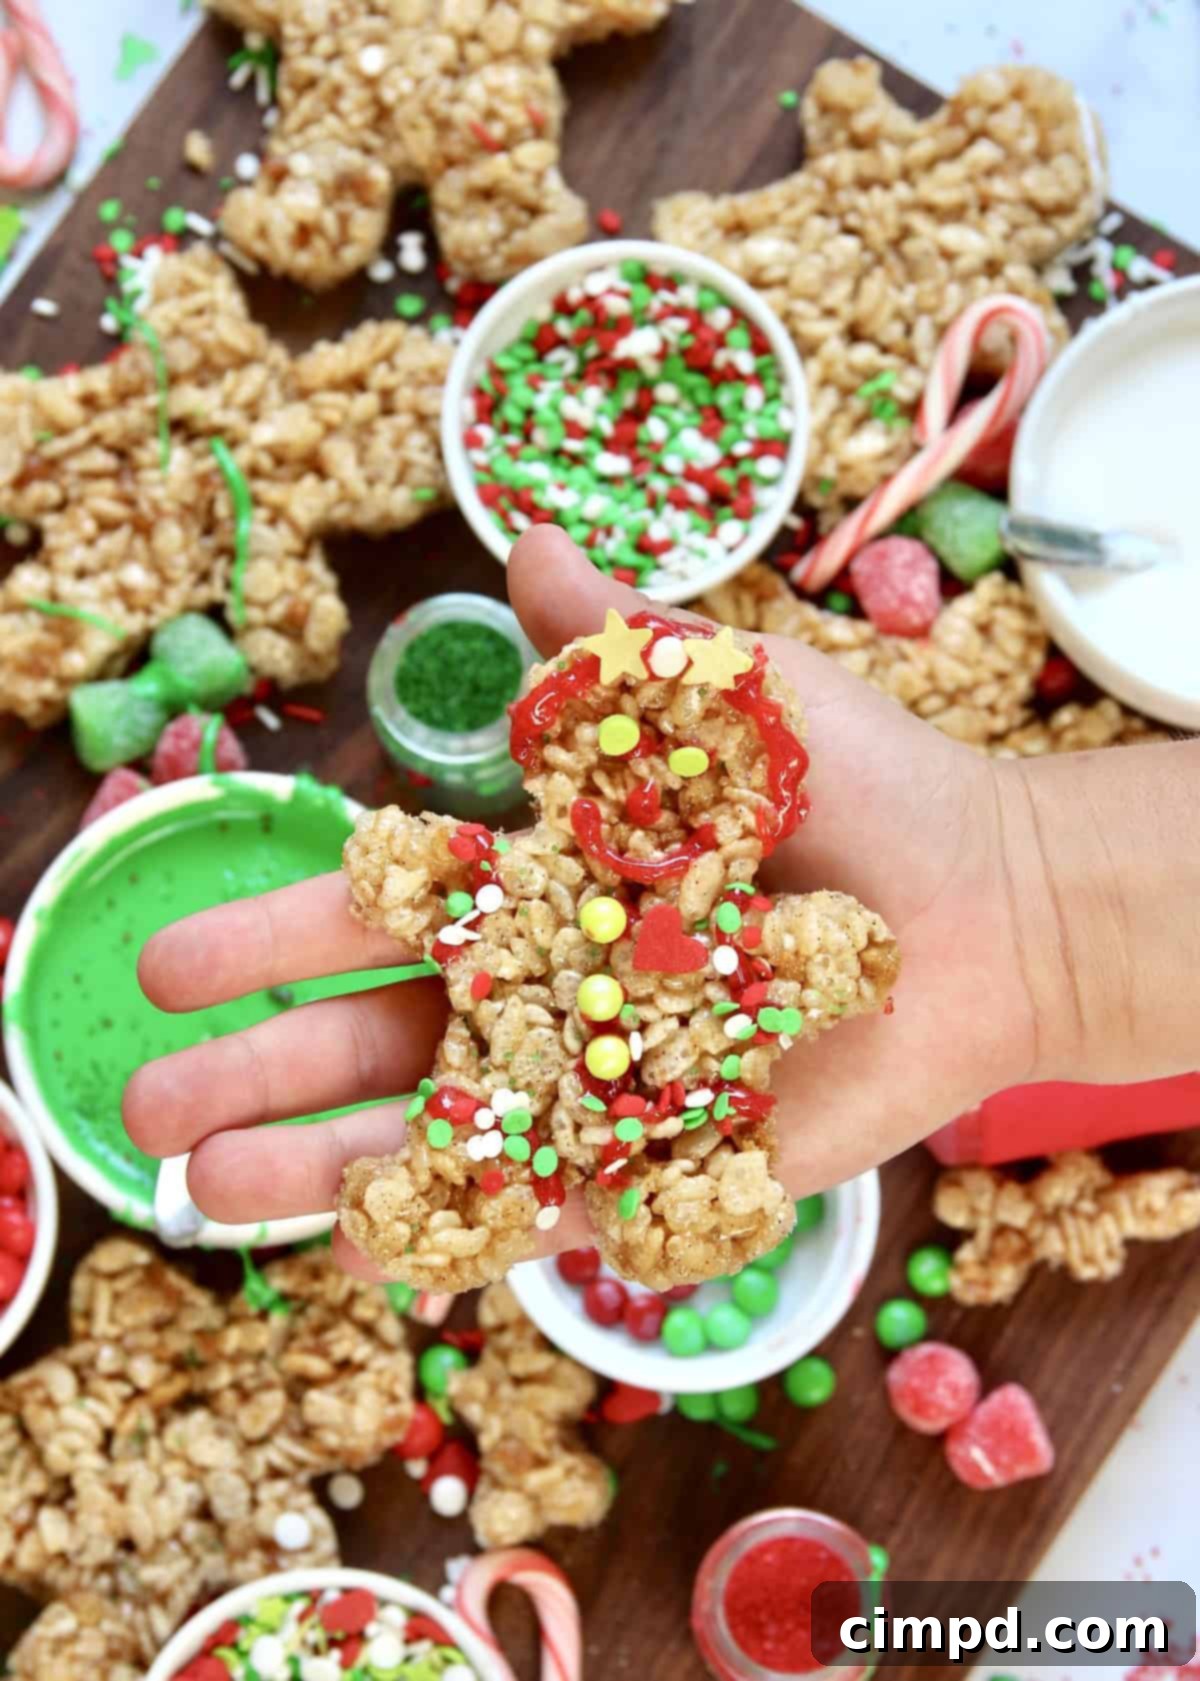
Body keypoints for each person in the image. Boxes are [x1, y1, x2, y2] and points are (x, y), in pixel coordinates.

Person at [123, 528, 1200, 1282]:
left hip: (675, 1114)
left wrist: (996, 901)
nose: (646, 798)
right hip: (508, 1097)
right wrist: (1025, 894)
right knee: (475, 1159)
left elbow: (836, 949)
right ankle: (454, 1201)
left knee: (676, 1176)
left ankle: (665, 1201)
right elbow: (418, 871)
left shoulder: (739, 937)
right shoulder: (510, 891)